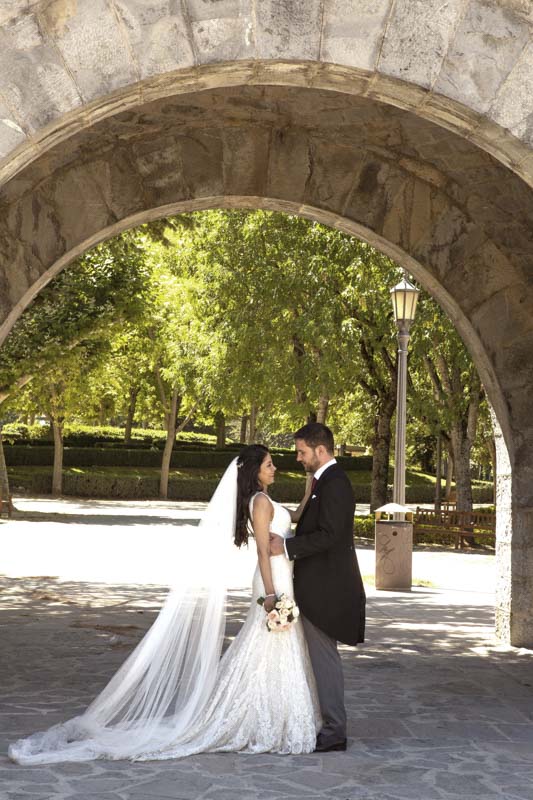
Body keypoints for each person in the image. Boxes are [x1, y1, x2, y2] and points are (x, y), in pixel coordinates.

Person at [9, 445, 320, 764]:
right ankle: (258, 715)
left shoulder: (267, 499)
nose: (274, 468)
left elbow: (295, 517)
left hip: (283, 576)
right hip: (273, 580)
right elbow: (262, 552)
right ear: (254, 470)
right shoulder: (260, 502)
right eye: (269, 464)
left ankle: (271, 712)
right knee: (266, 643)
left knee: (271, 646)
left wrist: (309, 490)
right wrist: (270, 594)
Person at [270, 423, 366, 753]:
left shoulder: (335, 483)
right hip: (318, 586)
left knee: (325, 660)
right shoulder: (322, 481)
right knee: (319, 659)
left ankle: (335, 731)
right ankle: (324, 723)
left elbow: (330, 535)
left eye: (302, 452)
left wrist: (286, 547)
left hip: (327, 590)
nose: (298, 458)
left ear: (320, 450)